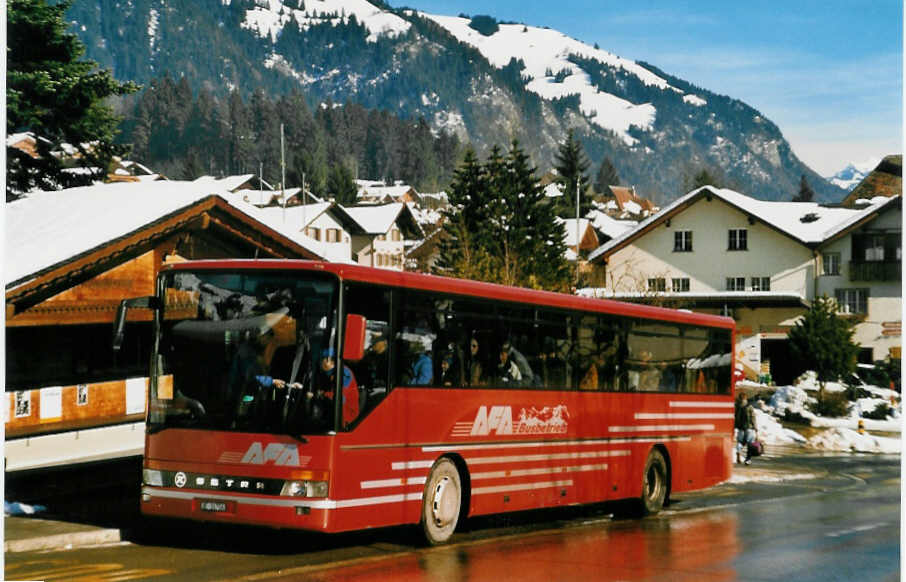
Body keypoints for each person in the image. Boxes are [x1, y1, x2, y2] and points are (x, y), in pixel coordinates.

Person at [318, 347, 360, 427]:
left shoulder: (344, 373)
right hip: (335, 413)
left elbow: (340, 398)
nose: (321, 363)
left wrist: (323, 394)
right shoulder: (330, 373)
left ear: (330, 361)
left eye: (323, 360)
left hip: (346, 417)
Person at [735, 393, 757, 464]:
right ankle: (748, 460)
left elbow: (735, 417)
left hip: (741, 428)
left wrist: (735, 426)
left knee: (740, 442)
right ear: (746, 398)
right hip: (749, 428)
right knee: (750, 444)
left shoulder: (737, 406)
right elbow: (753, 417)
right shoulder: (749, 406)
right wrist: (755, 427)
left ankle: (738, 452)